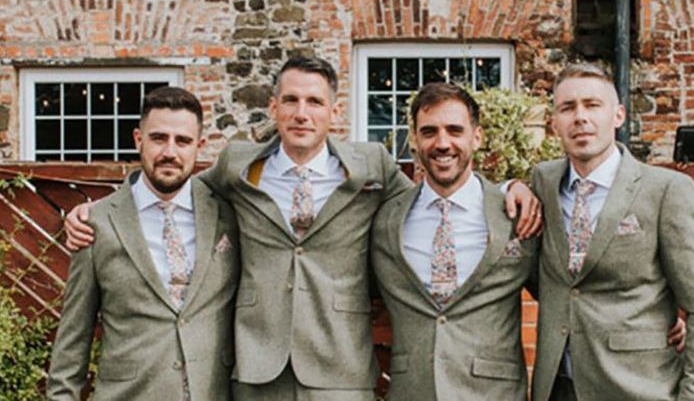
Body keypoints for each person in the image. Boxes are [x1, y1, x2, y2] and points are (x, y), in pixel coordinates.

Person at [64, 57, 542, 401]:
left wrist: (509, 188)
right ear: (273, 108)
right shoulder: (236, 165)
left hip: (340, 364)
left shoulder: (370, 166)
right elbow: (173, 186)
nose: (301, 112)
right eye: (290, 100)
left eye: (314, 101)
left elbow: (436, 191)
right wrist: (97, 210)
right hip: (256, 364)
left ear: (334, 112)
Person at [531, 63, 694, 401]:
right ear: (554, 124)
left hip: (639, 388)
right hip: (559, 389)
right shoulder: (542, 183)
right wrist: (509, 188)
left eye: (593, 105)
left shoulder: (665, 191)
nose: (580, 117)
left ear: (618, 115)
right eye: (567, 108)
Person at [47, 87, 239, 401]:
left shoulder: (229, 214)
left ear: (200, 146)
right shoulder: (97, 223)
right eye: (159, 138)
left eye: (183, 141)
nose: (170, 152)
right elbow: (73, 339)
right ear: (139, 139)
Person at [371, 82, 537, 401]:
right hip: (412, 391)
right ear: (415, 140)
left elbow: (561, 294)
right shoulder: (386, 220)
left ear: (477, 136)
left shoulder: (515, 216)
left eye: (455, 130)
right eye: (429, 131)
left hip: (494, 393)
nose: (442, 143)